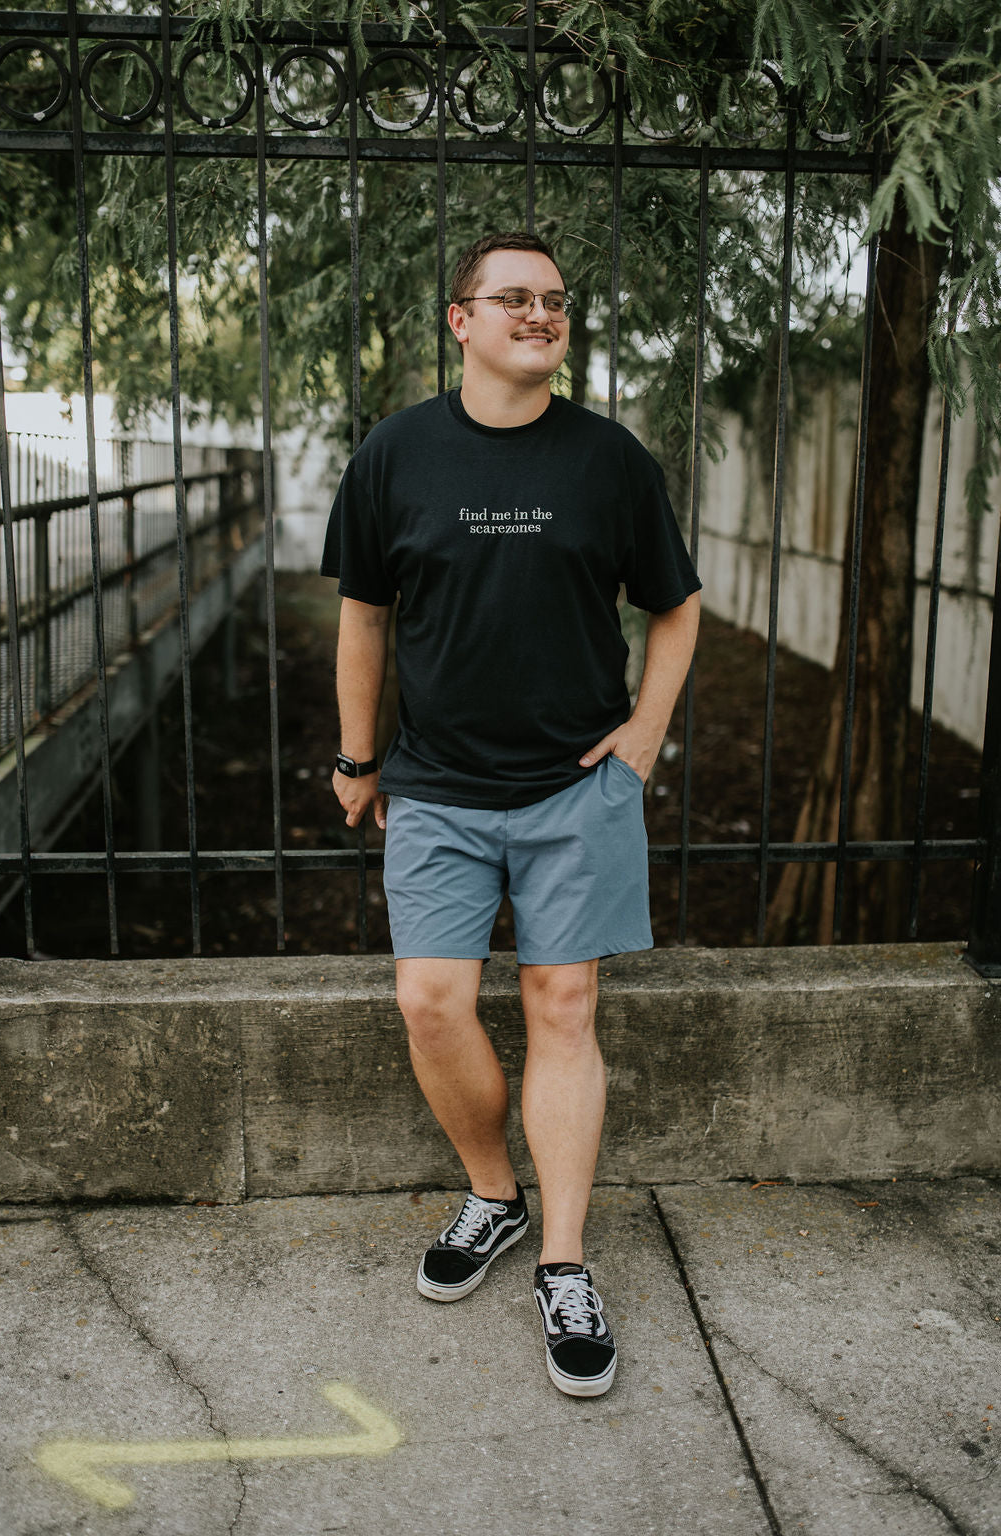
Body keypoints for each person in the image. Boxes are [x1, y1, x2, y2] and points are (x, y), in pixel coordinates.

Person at [321, 230, 701, 1398]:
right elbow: (364, 620)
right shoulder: (396, 455)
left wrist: (640, 739)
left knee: (563, 1000)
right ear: (461, 321)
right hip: (435, 784)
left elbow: (676, 609)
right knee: (430, 1001)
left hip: (572, 787)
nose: (539, 315)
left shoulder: (609, 461)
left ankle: (566, 1259)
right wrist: (358, 755)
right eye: (514, 299)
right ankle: (492, 1191)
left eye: (555, 301)